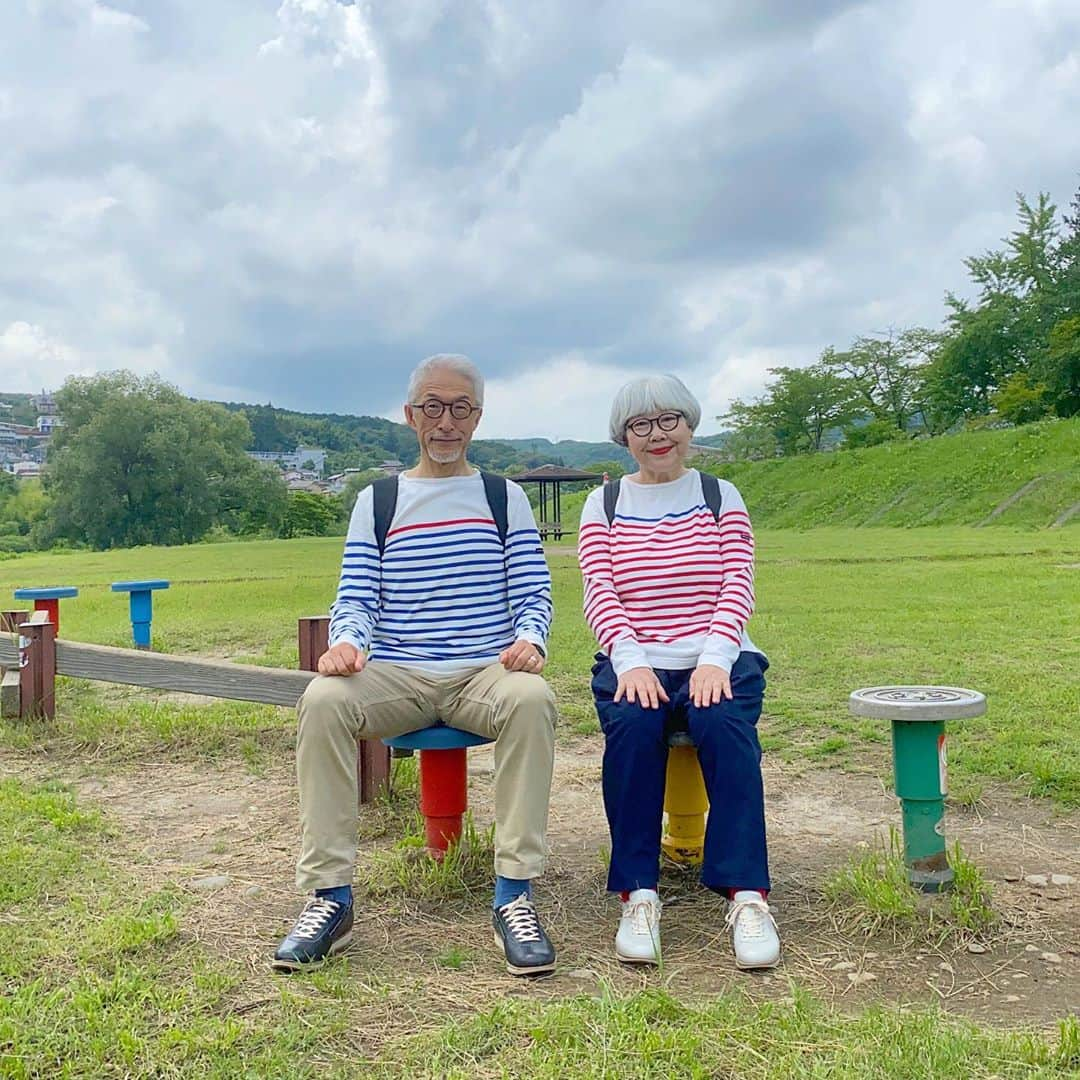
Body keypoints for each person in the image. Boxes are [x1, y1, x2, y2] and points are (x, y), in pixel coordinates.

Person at [274, 354, 558, 977]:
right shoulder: (378, 500)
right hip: (399, 672)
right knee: (322, 700)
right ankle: (329, 897)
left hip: (484, 671)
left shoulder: (502, 497)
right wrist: (348, 641)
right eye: (433, 406)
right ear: (410, 415)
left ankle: (514, 893)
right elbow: (355, 596)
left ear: (478, 417)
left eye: (460, 408)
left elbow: (534, 591)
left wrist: (531, 640)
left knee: (533, 700)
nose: (446, 421)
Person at [576, 374, 780, 970]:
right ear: (624, 437)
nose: (657, 435)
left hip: (721, 658)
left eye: (670, 421)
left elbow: (737, 582)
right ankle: (638, 892)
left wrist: (716, 658)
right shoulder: (605, 504)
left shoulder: (720, 495)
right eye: (641, 425)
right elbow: (600, 590)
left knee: (724, 726)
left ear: (690, 426)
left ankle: (746, 895)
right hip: (636, 658)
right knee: (634, 732)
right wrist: (631, 662)